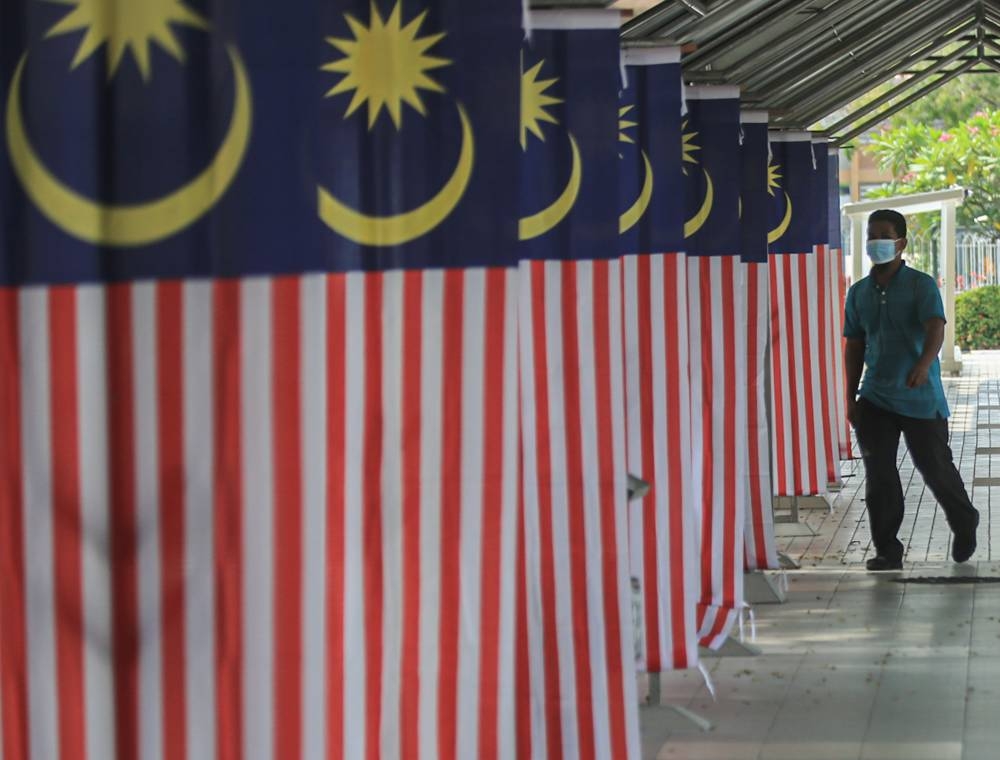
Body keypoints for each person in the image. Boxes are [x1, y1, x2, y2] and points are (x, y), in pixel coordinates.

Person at [844, 209, 979, 571]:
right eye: (871, 236)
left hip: (920, 396)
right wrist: (850, 396)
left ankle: (964, 520)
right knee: (880, 476)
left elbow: (935, 327)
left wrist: (923, 365)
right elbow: (854, 345)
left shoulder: (920, 285)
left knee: (934, 467)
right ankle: (887, 549)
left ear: (901, 243)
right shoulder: (858, 294)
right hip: (874, 398)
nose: (876, 243)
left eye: (884, 236)